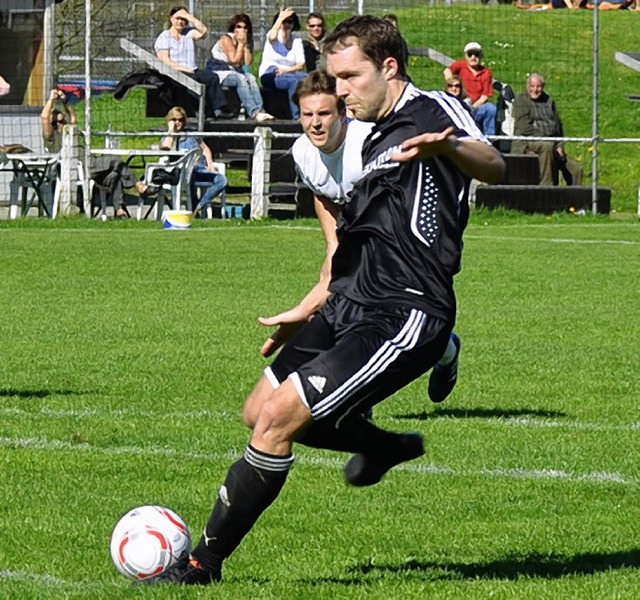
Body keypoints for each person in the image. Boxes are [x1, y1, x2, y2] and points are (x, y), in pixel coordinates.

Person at [154, 15, 504, 586]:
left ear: (388, 68)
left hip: (405, 311)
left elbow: (495, 164)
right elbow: (348, 243)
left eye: (349, 77)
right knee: (256, 411)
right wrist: (311, 304)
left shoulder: (435, 111)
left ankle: (201, 564)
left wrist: (455, 146)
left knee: (274, 425)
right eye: (335, 79)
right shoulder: (367, 136)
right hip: (348, 304)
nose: (339, 91)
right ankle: (382, 446)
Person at [283, 70, 462, 404]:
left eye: (324, 114)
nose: (315, 124)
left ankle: (443, 352)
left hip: (398, 246)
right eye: (307, 115)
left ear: (343, 113)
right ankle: (359, 398)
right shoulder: (301, 151)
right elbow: (323, 193)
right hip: (357, 237)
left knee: (372, 320)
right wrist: (332, 246)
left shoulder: (369, 140)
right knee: (348, 318)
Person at [138, 107, 227, 217]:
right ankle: (187, 211)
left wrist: (210, 163)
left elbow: (205, 149)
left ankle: (199, 205)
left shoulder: (191, 134)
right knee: (183, 176)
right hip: (181, 173)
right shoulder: (167, 137)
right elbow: (166, 147)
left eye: (181, 120)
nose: (178, 122)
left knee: (222, 180)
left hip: (199, 169)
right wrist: (171, 130)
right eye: (174, 120)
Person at [154, 6, 228, 118]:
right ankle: (200, 111)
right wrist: (185, 69)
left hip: (193, 69)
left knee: (212, 77)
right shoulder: (164, 37)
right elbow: (165, 60)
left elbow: (204, 32)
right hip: (175, 72)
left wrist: (189, 17)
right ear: (171, 19)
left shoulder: (188, 33)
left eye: (183, 19)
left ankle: (219, 110)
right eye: (177, 18)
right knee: (193, 81)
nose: (180, 21)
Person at [512, 73, 583, 186]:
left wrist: (559, 144)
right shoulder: (521, 100)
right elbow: (524, 127)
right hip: (526, 142)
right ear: (527, 86)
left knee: (576, 169)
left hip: (551, 143)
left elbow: (558, 125)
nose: (535, 90)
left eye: (538, 86)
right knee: (547, 146)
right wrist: (548, 137)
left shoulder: (549, 101)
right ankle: (547, 187)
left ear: (543, 87)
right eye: (532, 86)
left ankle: (575, 199)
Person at [207, 14, 275, 122]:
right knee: (241, 79)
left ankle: (260, 110)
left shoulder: (245, 41)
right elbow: (234, 60)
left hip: (233, 71)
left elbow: (247, 62)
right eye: (238, 27)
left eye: (245, 27)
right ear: (233, 28)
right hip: (219, 71)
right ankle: (254, 112)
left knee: (251, 78)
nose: (242, 30)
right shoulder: (226, 39)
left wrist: (245, 44)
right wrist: (240, 44)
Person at [258, 7, 307, 119]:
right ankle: (297, 116)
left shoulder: (297, 41)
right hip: (270, 74)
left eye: (290, 21)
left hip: (289, 73)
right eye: (284, 22)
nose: (286, 24)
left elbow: (301, 64)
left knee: (308, 78)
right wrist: (280, 18)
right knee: (294, 82)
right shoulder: (273, 35)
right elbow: (272, 37)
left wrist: (286, 70)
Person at [444, 42, 497, 136]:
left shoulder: (486, 73)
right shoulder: (460, 65)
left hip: (476, 108)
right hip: (459, 105)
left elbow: (485, 96)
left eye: (476, 54)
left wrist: (471, 108)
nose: (473, 57)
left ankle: (490, 138)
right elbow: (447, 71)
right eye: (470, 54)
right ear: (465, 56)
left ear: (481, 56)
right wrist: (452, 82)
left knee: (491, 108)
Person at [40, 88, 77, 153]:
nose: (59, 124)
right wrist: (51, 99)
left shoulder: (67, 130)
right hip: (58, 162)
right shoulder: (50, 136)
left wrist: (65, 100)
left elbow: (72, 116)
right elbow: (44, 117)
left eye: (60, 121)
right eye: (55, 122)